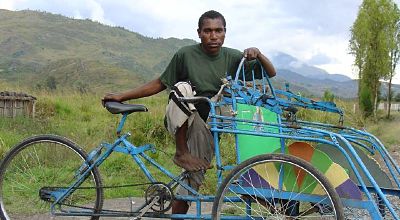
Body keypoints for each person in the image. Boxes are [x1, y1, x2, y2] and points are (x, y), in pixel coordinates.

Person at [103, 10, 276, 217]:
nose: (213, 36)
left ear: (225, 33)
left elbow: (270, 72)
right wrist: (123, 95)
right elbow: (160, 83)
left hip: (210, 123)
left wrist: (258, 52)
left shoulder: (233, 57)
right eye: (208, 31)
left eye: (218, 31)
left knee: (191, 180)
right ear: (199, 33)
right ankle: (181, 152)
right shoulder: (185, 54)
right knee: (182, 87)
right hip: (185, 118)